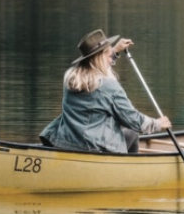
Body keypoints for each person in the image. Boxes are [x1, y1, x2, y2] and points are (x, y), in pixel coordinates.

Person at [39, 29, 171, 153]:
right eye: (109, 56)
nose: (111, 59)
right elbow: (133, 119)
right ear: (100, 58)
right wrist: (157, 124)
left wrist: (114, 51)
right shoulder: (109, 87)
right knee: (132, 131)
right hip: (95, 147)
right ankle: (129, 169)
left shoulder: (70, 77)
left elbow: (97, 64)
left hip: (67, 143)